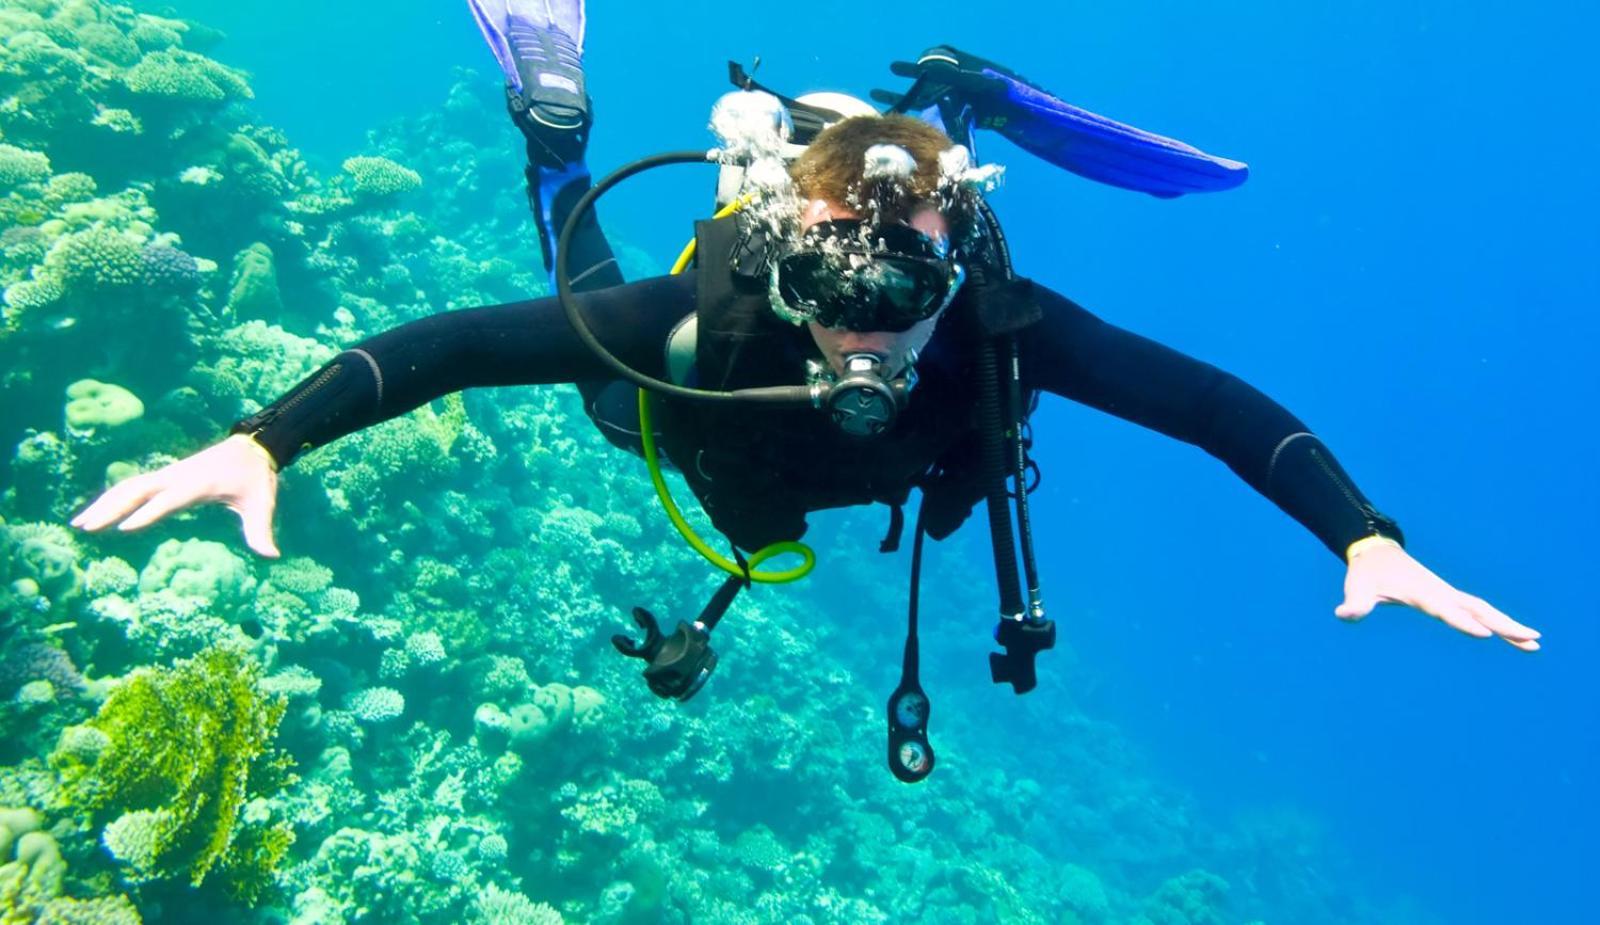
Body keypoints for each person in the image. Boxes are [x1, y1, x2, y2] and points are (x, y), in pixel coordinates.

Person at [71, 0, 1540, 676]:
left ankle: (946, 112)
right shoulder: (706, 314)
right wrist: (269, 437)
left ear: (953, 276)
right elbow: (453, 345)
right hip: (714, 398)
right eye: (845, 295)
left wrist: (1363, 533)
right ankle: (555, 120)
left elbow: (1214, 404)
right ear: (782, 257)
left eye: (908, 299)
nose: (873, 339)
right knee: (581, 288)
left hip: (871, 296)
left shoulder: (996, 324)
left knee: (910, 188)